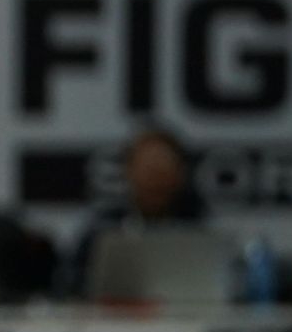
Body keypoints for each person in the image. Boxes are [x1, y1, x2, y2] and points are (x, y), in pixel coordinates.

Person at [65, 126, 211, 296]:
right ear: (129, 171)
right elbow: (72, 283)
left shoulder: (201, 229)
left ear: (180, 174)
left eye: (162, 171)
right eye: (148, 170)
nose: (155, 181)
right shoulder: (103, 228)